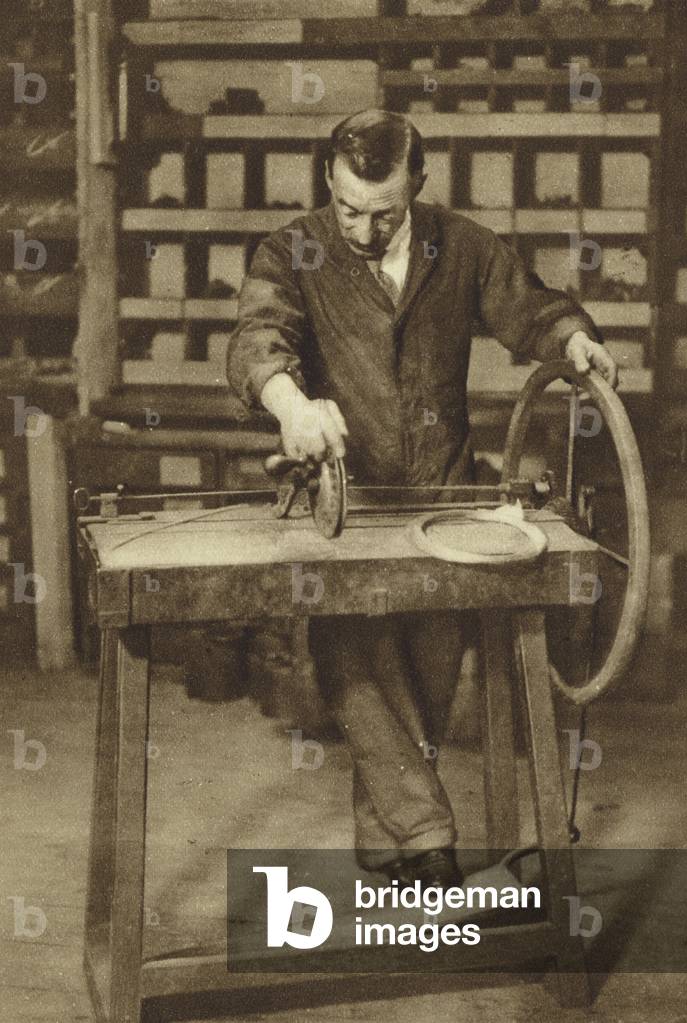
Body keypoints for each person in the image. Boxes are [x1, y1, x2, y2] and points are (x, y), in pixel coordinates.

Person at [227, 109, 617, 888]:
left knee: (432, 670)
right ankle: (429, 835)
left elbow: (528, 307)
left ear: (417, 187)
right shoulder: (293, 248)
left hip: (445, 495)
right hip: (346, 503)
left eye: (384, 214)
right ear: (327, 186)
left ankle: (388, 845)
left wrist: (570, 340)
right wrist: (290, 405)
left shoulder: (460, 245)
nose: (364, 232)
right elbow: (257, 335)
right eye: (348, 211)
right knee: (355, 660)